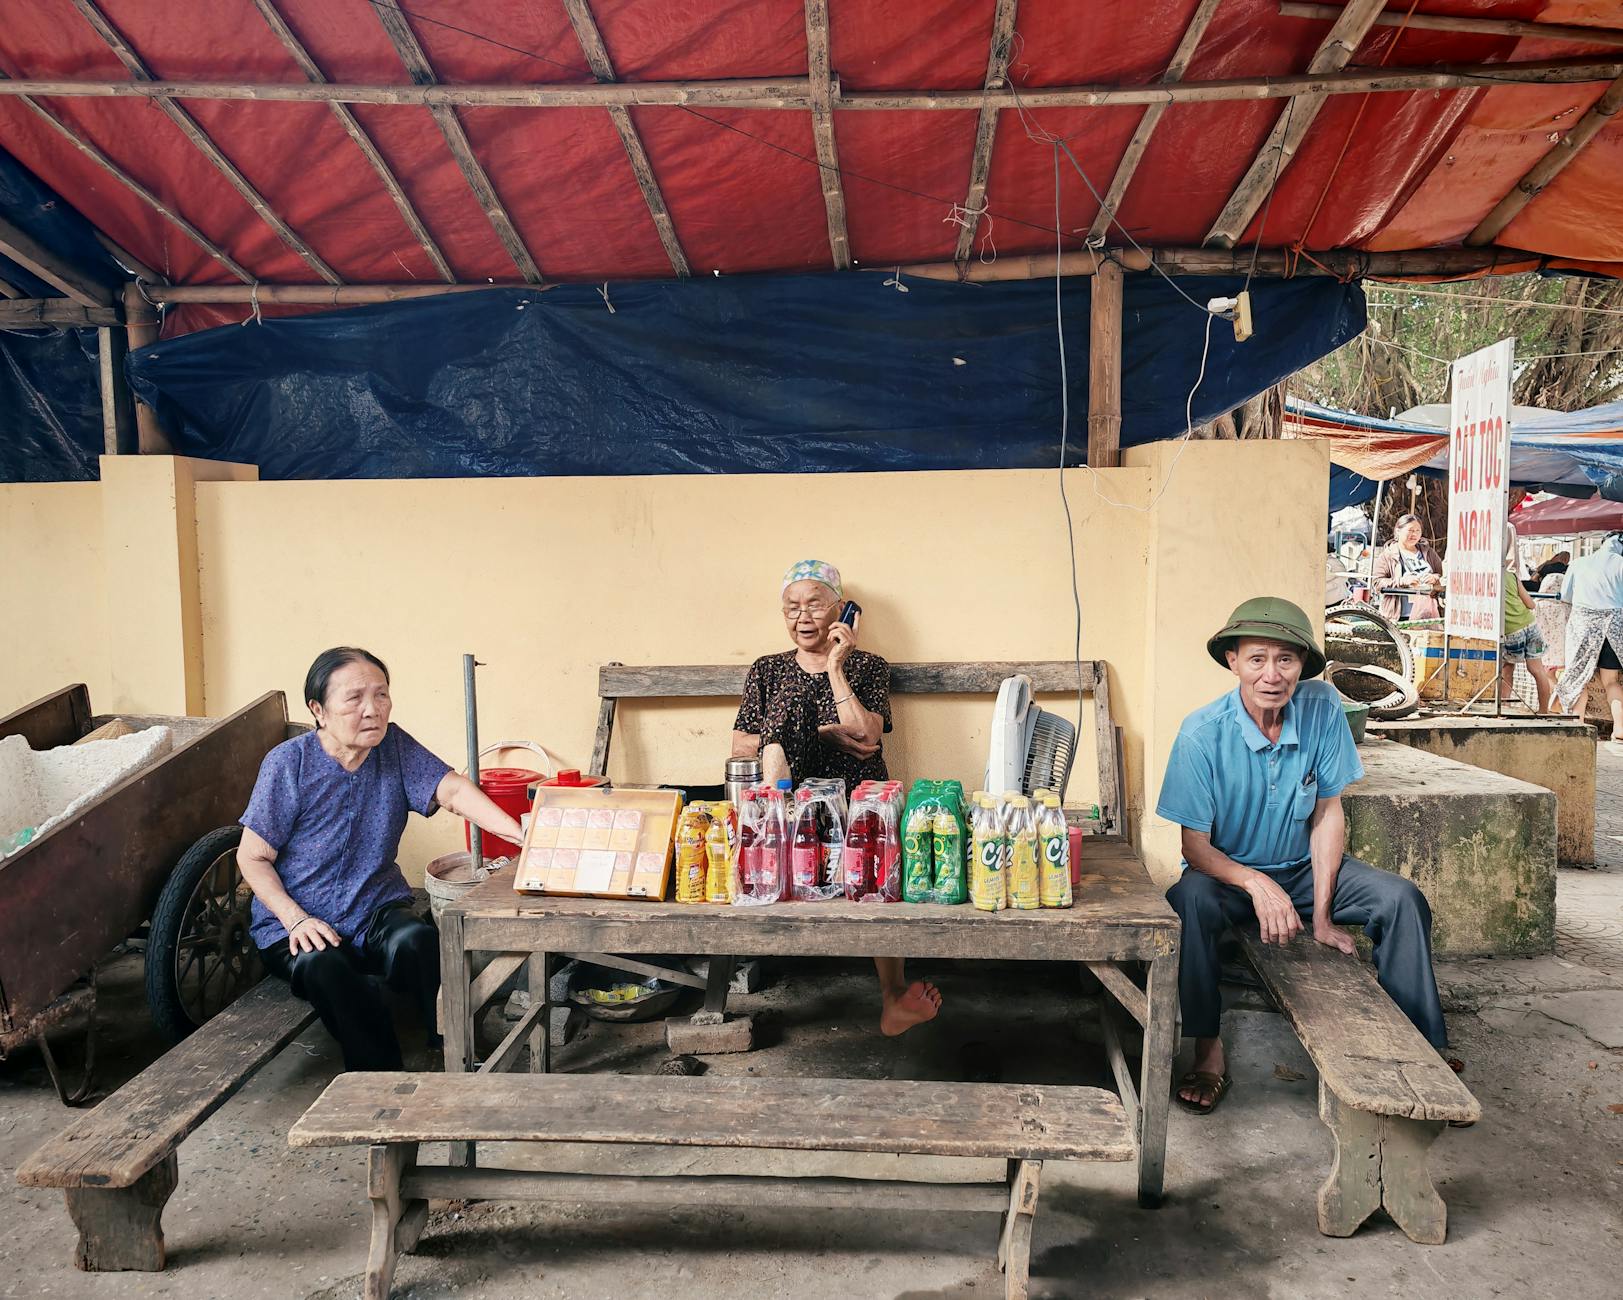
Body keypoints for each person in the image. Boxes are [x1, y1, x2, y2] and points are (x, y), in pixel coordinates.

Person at [1159, 597, 1447, 1114]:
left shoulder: (1321, 708)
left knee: (1400, 898)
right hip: (1227, 879)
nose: (1272, 674)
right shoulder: (1201, 735)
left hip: (1303, 870)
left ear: (1301, 666)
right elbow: (1194, 847)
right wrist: (1254, 883)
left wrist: (1320, 916)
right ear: (1233, 661)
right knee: (1188, 901)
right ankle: (1207, 1051)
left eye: (1286, 659)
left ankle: (1420, 1050)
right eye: (1257, 659)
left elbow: (1327, 813)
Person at [238, 647, 525, 1070]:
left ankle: (454, 1047)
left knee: (418, 941)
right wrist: (295, 918)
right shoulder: (289, 764)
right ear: (318, 710)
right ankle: (380, 1076)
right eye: (354, 699)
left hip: (374, 909)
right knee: (325, 968)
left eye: (381, 695)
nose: (373, 710)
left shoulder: (394, 746)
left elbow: (454, 792)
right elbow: (253, 857)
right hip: (296, 922)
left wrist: (522, 835)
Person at [732, 560, 940, 1037]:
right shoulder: (767, 670)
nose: (803, 617)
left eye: (815, 605)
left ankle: (892, 998)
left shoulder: (868, 666)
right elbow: (742, 745)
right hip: (790, 805)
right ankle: (782, 812)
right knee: (787, 725)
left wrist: (835, 667)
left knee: (877, 854)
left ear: (842, 611)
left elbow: (868, 734)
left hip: (858, 799)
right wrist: (822, 734)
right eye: (792, 607)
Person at [1556, 534, 1623, 748]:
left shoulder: (1578, 563)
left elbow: (1565, 596)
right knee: (1611, 680)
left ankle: (1578, 723)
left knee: (1578, 677)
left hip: (1583, 624)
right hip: (1615, 625)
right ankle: (1620, 730)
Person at [1371, 513, 1444, 621]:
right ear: (1398, 531)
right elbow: (1377, 583)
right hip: (1398, 616)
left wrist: (1435, 578)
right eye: (1410, 530)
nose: (1414, 534)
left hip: (1428, 614)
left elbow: (1443, 576)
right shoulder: (1388, 555)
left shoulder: (1428, 552)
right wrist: (1402, 581)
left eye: (1417, 531)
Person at [1501, 567, 1554, 713]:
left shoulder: (1485, 578)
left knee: (1507, 667)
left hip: (1511, 631)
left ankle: (1504, 708)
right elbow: (1531, 604)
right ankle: (1543, 711)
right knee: (1537, 670)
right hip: (1531, 626)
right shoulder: (1511, 576)